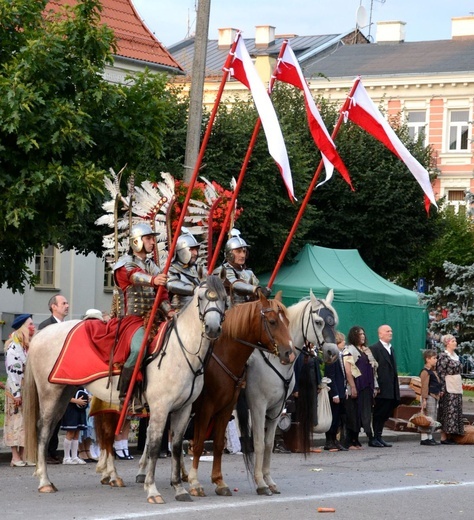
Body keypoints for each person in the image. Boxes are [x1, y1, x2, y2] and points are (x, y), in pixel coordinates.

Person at [113, 222, 173, 402]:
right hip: (132, 320)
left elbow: (161, 296)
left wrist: (170, 313)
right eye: (148, 239)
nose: (152, 243)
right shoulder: (125, 264)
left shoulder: (151, 265)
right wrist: (154, 280)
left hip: (154, 318)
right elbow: (134, 277)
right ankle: (124, 391)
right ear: (137, 241)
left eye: (153, 239)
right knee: (139, 348)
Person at [38, 294, 69, 464]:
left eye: (66, 303)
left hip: (63, 375)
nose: (67, 305)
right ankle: (44, 451)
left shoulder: (66, 327)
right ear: (53, 307)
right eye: (63, 303)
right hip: (49, 375)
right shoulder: (46, 326)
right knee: (47, 414)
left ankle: (52, 450)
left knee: (58, 415)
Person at [3, 314, 36, 467]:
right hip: (16, 389)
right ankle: (15, 457)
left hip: (26, 388)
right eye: (30, 324)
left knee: (25, 422)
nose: (33, 326)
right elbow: (13, 371)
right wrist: (17, 394)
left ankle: (23, 455)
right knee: (15, 421)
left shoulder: (26, 346)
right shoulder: (13, 347)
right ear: (22, 327)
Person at [344, 326, 380, 449]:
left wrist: (375, 386)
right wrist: (352, 387)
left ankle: (356, 440)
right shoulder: (349, 350)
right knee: (353, 414)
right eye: (360, 334)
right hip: (357, 385)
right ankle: (349, 441)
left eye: (363, 334)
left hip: (367, 386)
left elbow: (372, 369)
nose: (363, 336)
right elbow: (348, 370)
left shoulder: (366, 351)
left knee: (363, 414)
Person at [218, 228, 270, 305]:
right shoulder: (223, 270)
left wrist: (263, 292)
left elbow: (256, 291)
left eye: (244, 251)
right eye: (238, 251)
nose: (242, 255)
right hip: (229, 312)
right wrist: (256, 289)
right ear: (230, 254)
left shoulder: (248, 273)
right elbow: (235, 285)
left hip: (247, 311)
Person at [370, 324, 400, 448]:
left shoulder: (391, 348)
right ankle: (373, 438)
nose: (390, 333)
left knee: (385, 413)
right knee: (378, 413)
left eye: (391, 331)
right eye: (387, 331)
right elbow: (373, 369)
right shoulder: (375, 348)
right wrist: (376, 386)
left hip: (390, 387)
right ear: (380, 334)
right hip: (381, 387)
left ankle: (379, 436)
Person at [436, 334, 464, 444]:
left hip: (456, 385)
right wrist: (442, 388)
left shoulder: (455, 356)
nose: (455, 343)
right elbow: (441, 373)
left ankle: (451, 434)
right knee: (448, 410)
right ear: (447, 343)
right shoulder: (443, 356)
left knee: (455, 409)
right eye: (453, 341)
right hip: (448, 386)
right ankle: (444, 436)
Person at [323, 331, 348, 452]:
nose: (345, 344)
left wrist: (345, 388)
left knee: (337, 418)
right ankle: (329, 441)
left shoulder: (340, 356)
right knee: (333, 418)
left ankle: (335, 440)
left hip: (342, 391)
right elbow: (331, 377)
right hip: (335, 393)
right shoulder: (332, 357)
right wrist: (335, 393)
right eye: (344, 342)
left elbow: (342, 375)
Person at [167, 228, 201, 311]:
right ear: (181, 251)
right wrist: (197, 289)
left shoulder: (197, 268)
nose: (195, 253)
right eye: (191, 249)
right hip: (179, 313)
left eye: (196, 249)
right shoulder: (171, 270)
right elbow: (171, 285)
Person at [419, 349, 442, 446]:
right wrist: (424, 399)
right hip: (429, 396)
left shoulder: (432, 371)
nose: (436, 360)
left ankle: (430, 437)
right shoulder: (425, 372)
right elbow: (424, 386)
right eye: (434, 358)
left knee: (433, 416)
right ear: (427, 359)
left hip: (434, 396)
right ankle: (424, 438)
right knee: (427, 417)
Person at [61, 388, 89, 464]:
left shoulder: (81, 383)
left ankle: (74, 457)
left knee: (77, 433)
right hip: (71, 409)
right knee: (70, 432)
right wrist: (76, 401)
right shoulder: (68, 383)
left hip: (80, 409)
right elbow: (64, 395)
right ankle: (66, 457)